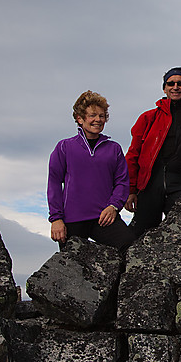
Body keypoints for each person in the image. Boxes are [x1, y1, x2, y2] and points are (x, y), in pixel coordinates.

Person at [125, 68, 181, 236]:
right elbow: (133, 155)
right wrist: (131, 191)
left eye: (180, 83)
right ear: (164, 88)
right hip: (149, 184)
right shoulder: (148, 118)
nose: (175, 87)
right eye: (171, 83)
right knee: (138, 236)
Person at [47, 90, 135, 252]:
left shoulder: (113, 148)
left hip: (104, 217)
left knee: (130, 247)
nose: (98, 120)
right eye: (92, 115)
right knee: (70, 269)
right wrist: (56, 219)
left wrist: (113, 206)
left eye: (102, 116)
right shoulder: (64, 147)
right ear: (80, 119)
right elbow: (53, 183)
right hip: (72, 220)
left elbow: (122, 182)